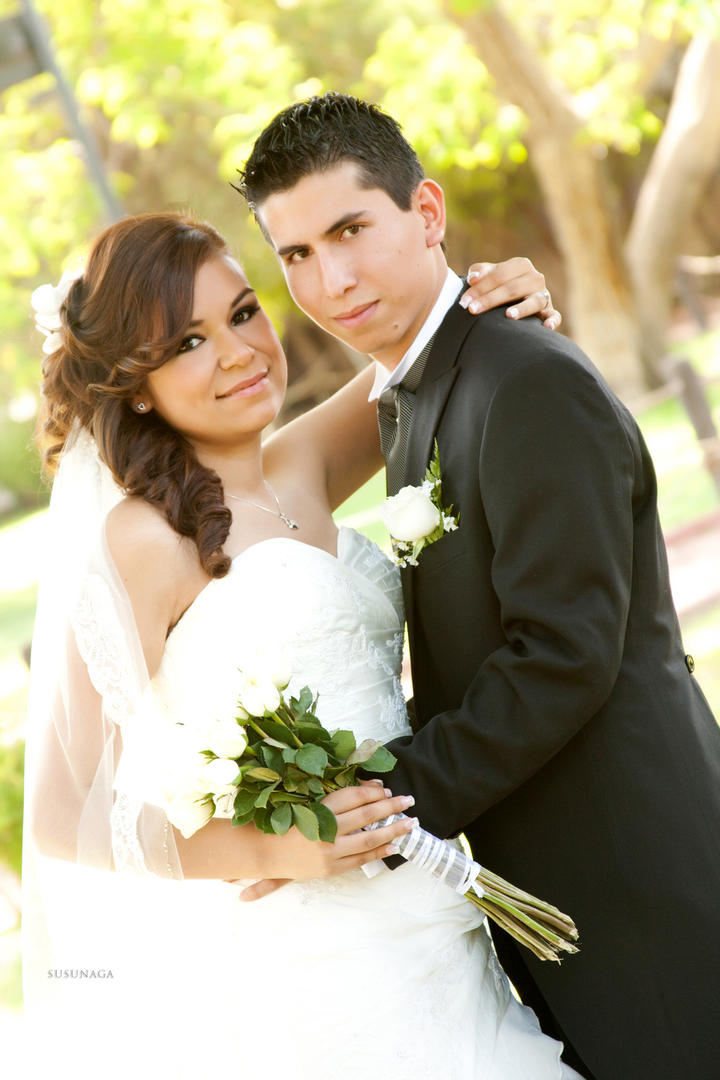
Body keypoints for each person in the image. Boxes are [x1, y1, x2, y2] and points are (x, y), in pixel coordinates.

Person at [22, 211, 580, 1079]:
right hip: (312, 972)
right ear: (134, 385)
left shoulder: (302, 462)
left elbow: (440, 339)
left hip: (429, 917)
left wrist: (509, 285)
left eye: (244, 313)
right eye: (188, 343)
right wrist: (271, 847)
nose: (240, 353)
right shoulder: (141, 540)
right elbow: (62, 810)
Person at [236, 92, 720, 1080]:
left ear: (427, 213)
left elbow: (563, 656)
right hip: (556, 894)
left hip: (640, 878)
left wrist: (377, 802)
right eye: (295, 256)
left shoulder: (522, 378)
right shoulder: (414, 397)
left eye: (350, 231)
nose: (330, 279)